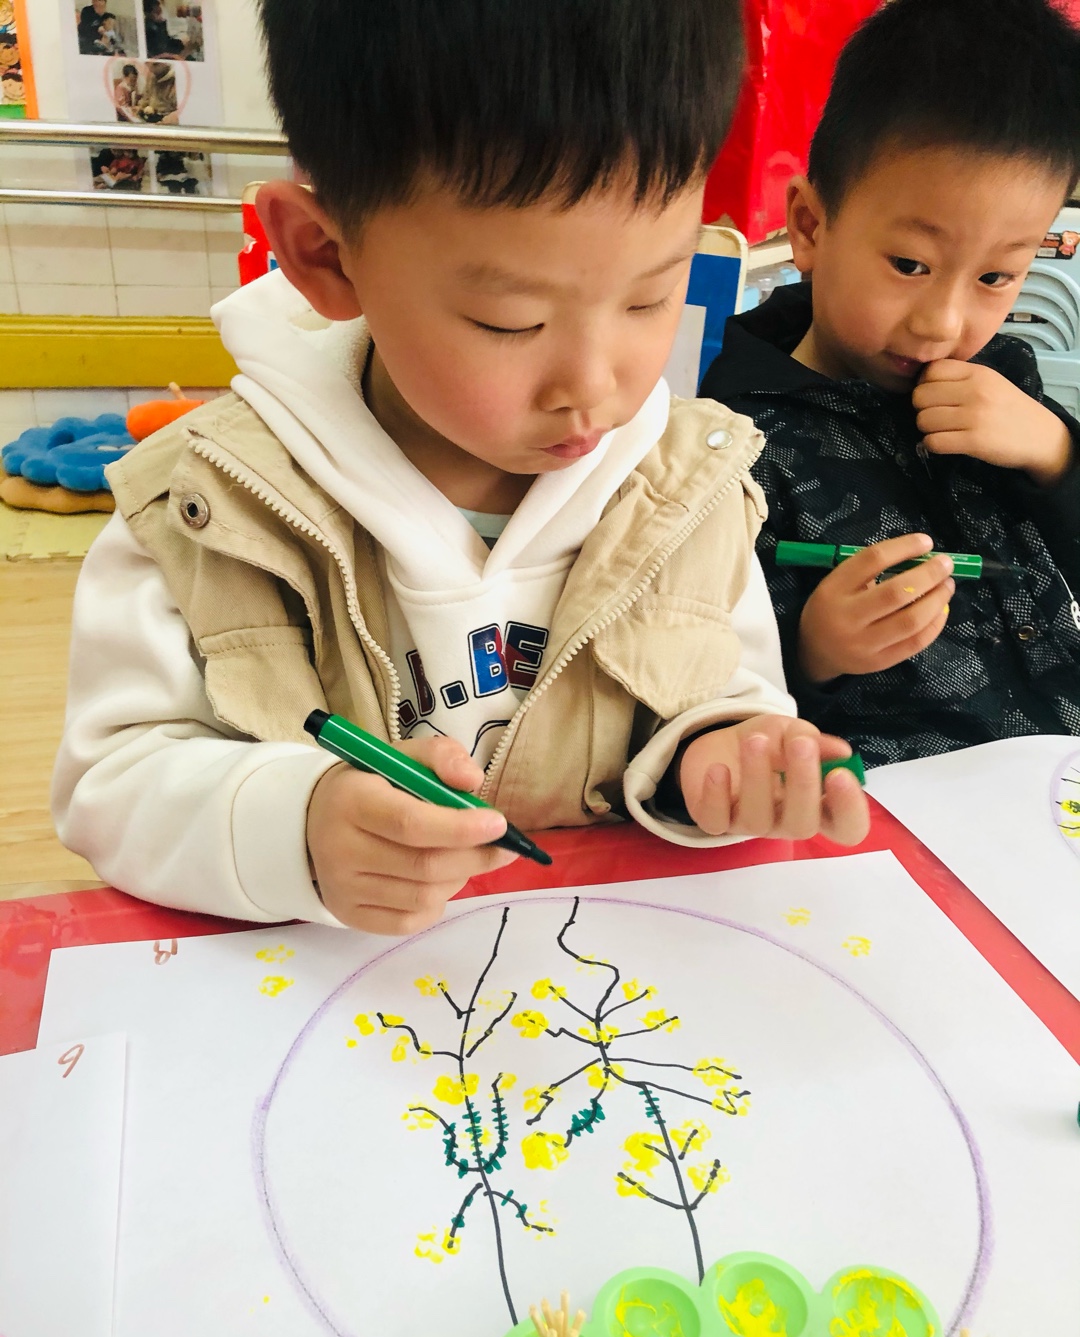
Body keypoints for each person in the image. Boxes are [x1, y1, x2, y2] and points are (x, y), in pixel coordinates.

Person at [53, 0, 869, 935]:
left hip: (600, 964)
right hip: (326, 992)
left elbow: (725, 693)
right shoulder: (207, 510)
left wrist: (720, 758)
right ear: (327, 255)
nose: (593, 387)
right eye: (511, 322)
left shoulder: (688, 490)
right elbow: (110, 784)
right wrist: (297, 828)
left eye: (652, 298)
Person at [701, 0, 1080, 769]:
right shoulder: (730, 439)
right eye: (910, 265)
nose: (944, 323)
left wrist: (1057, 453)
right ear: (810, 227)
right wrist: (813, 650)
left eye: (996, 277)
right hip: (896, 802)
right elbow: (700, 677)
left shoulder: (1004, 377)